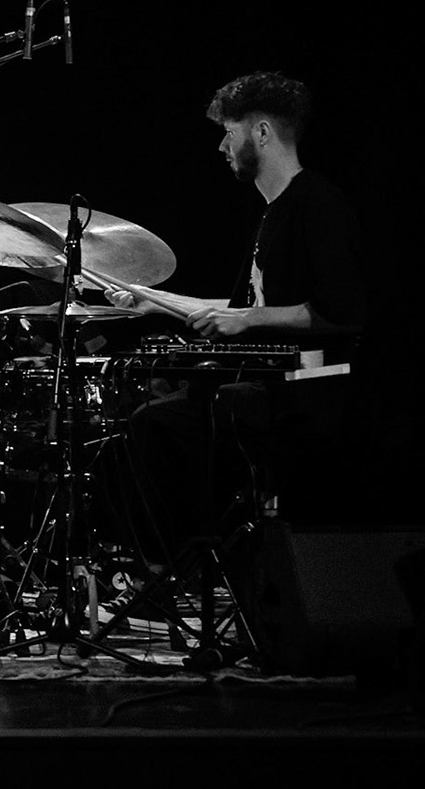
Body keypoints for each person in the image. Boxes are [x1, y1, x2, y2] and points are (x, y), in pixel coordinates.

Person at [107, 71, 367, 572]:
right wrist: (155, 302)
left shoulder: (317, 203)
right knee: (155, 409)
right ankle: (184, 566)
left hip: (305, 394)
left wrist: (249, 318)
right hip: (268, 388)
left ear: (262, 132)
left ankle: (172, 569)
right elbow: (239, 309)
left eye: (229, 132)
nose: (223, 147)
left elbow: (342, 310)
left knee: (155, 425)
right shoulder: (273, 213)